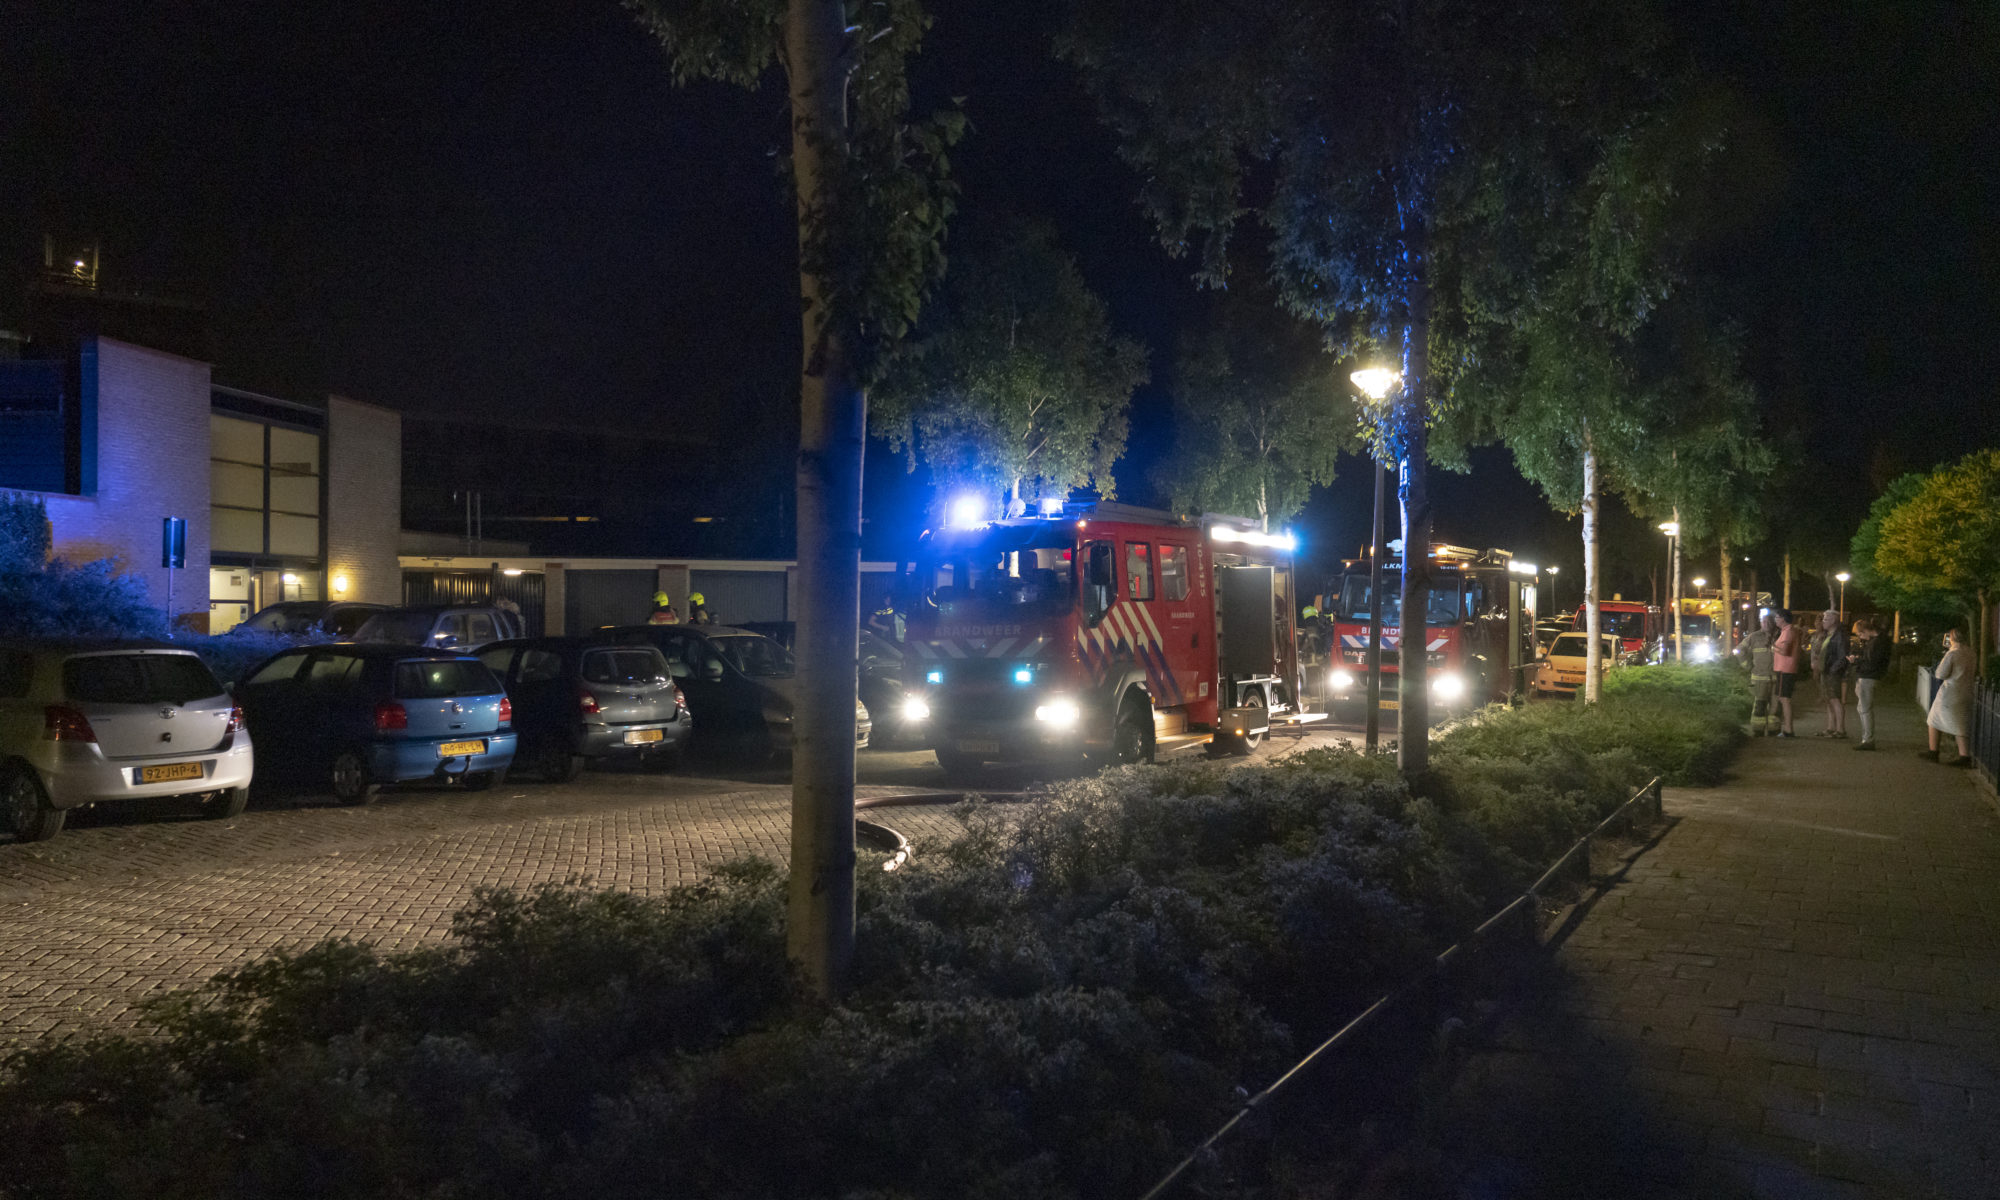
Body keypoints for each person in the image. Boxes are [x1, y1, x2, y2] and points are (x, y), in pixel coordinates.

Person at [1919, 627, 1975, 766]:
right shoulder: (1971, 652)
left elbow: (1940, 674)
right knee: (1959, 724)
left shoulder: (1952, 653)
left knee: (1933, 719)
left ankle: (1933, 751)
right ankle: (1964, 756)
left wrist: (1945, 656)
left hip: (1950, 692)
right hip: (1966, 690)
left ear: (1952, 638)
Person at [1849, 616, 1890, 750]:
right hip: (1869, 676)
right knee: (1863, 708)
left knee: (1865, 708)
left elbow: (1872, 662)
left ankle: (1868, 740)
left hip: (1868, 677)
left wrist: (1856, 661)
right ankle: (1867, 738)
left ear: (1867, 630)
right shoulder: (1879, 640)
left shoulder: (1877, 643)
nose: (1860, 637)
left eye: (1860, 633)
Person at [1737, 611, 1778, 736]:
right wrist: (1747, 665)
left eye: (1769, 621)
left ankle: (1774, 730)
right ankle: (1758, 731)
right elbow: (1739, 650)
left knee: (1776, 706)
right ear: (1760, 623)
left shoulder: (1779, 635)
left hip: (1776, 678)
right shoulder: (1753, 637)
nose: (1766, 624)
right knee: (1760, 705)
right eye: (1764, 621)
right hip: (1759, 678)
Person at [1816, 609, 1849, 738]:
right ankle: (1831, 728)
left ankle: (1840, 730)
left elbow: (1842, 656)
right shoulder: (1829, 634)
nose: (1822, 621)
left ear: (1833, 620)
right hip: (1826, 671)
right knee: (1828, 700)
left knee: (1835, 700)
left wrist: (1833, 670)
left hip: (1832, 672)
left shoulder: (1839, 636)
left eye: (1825, 619)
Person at [1769, 607, 1801, 737]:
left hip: (1785, 668)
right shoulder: (1786, 631)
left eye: (1777, 617)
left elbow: (1785, 651)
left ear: (1783, 618)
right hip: (1785, 668)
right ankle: (1787, 727)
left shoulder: (1788, 632)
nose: (1775, 620)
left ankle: (1788, 729)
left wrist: (1772, 647)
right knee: (1783, 698)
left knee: (1784, 698)